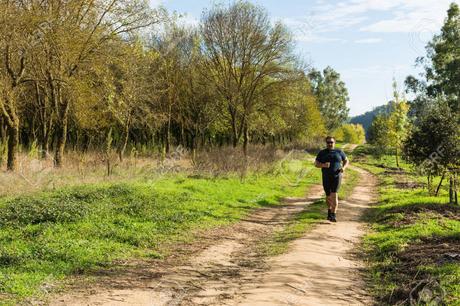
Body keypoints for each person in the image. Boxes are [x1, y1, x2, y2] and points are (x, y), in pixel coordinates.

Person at [314, 136, 348, 222]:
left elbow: (346, 161)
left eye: (331, 142)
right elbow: (316, 164)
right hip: (326, 176)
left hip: (337, 176)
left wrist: (343, 168)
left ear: (334, 143)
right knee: (328, 196)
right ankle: (329, 210)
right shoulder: (322, 153)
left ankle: (333, 215)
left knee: (334, 194)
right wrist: (323, 165)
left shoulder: (339, 151)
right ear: (326, 143)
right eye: (328, 142)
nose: (330, 144)